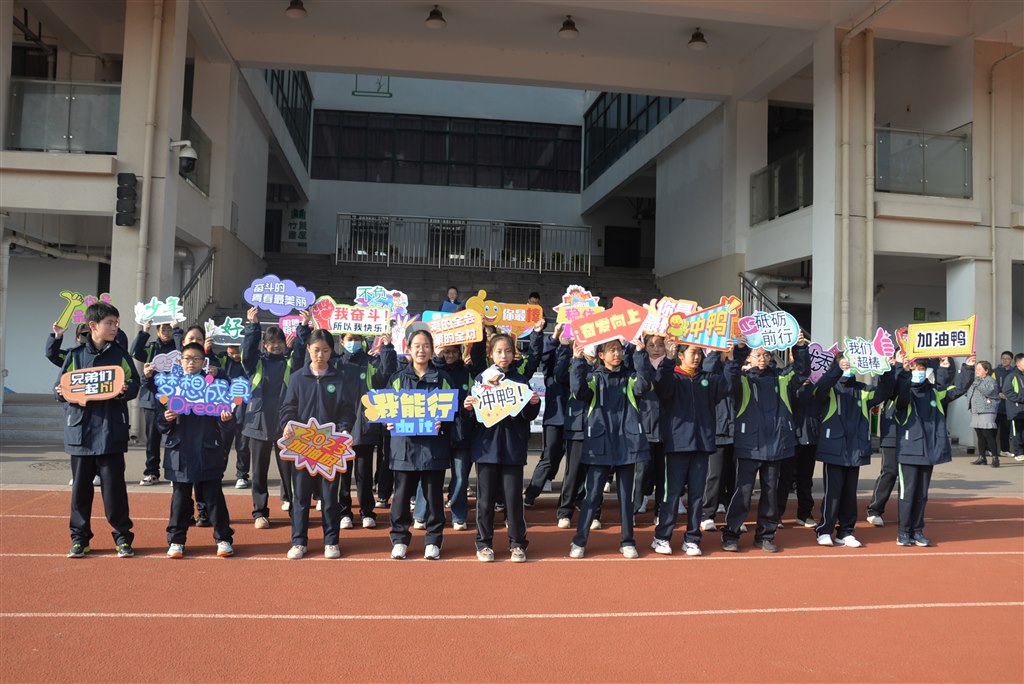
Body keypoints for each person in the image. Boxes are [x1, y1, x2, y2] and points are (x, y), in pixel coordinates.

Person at [56, 301, 141, 558]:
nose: (115, 328)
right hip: (80, 433)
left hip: (110, 432)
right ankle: (79, 539)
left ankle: (123, 537)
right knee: (80, 492)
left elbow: (134, 383)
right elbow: (60, 387)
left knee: (115, 491)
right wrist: (61, 392)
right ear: (93, 325)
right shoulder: (75, 355)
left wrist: (125, 390)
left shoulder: (120, 355)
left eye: (116, 323)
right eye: (110, 323)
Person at [722, 333, 809, 553]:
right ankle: (731, 533)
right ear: (749, 358)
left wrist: (800, 348)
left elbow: (801, 372)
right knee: (743, 492)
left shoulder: (781, 379)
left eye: (766, 355)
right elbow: (729, 382)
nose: (763, 359)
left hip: (776, 445)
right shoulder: (743, 379)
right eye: (758, 355)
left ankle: (765, 536)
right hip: (749, 445)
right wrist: (738, 352)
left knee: (770, 493)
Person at [567, 338, 653, 559]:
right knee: (592, 496)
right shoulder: (593, 379)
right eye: (611, 350)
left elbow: (644, 385)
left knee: (626, 498)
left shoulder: (630, 377)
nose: (617, 354)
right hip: (600, 444)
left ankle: (627, 541)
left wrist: (640, 353)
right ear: (601, 355)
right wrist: (577, 361)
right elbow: (578, 391)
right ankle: (579, 541)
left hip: (627, 444)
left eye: (619, 349)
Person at [648, 341, 733, 557]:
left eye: (698, 354)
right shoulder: (673, 377)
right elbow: (661, 385)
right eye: (692, 353)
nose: (696, 357)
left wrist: (731, 360)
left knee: (697, 496)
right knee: (671, 495)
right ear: (681, 356)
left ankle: (692, 538)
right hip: (677, 446)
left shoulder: (707, 379)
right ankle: (662, 537)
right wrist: (668, 359)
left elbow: (728, 386)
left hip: (701, 445)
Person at [278, 329, 356, 559]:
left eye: (325, 350)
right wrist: (287, 423)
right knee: (300, 497)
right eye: (316, 350)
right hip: (302, 446)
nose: (320, 355)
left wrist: (344, 428)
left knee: (330, 497)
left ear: (332, 352)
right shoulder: (297, 378)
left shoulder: (339, 379)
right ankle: (298, 541)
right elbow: (288, 406)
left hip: (329, 447)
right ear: (308, 350)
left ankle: (331, 541)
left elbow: (347, 409)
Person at [465, 333, 541, 563]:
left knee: (513, 498)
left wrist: (533, 404)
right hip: (486, 448)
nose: (503, 355)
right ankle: (484, 543)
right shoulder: (481, 379)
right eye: (498, 351)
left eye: (508, 351)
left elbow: (528, 415)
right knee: (485, 499)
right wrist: (468, 407)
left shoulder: (521, 381)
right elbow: (473, 417)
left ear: (514, 353)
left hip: (512, 447)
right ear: (490, 354)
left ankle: (517, 543)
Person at [157, 343, 236, 559]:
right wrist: (165, 418)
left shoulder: (214, 386)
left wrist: (226, 419)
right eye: (187, 358)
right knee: (180, 499)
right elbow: (159, 422)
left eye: (196, 359)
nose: (191, 363)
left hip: (207, 449)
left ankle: (223, 538)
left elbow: (227, 420)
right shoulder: (171, 386)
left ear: (204, 362)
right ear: (180, 361)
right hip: (180, 451)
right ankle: (176, 541)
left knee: (213, 497)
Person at [812, 353, 897, 547]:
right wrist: (837, 369)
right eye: (844, 362)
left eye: (850, 363)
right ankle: (824, 530)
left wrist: (886, 369)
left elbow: (884, 392)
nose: (848, 366)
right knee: (833, 493)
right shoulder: (830, 388)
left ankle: (846, 531)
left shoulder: (863, 390)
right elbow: (820, 389)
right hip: (834, 448)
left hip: (855, 448)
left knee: (850, 494)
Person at [388, 328, 456, 560]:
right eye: (416, 346)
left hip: (432, 448)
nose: (421, 350)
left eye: (426, 346)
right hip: (404, 447)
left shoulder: (443, 378)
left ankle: (433, 540)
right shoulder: (398, 378)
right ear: (408, 349)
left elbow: (453, 411)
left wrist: (443, 422)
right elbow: (386, 407)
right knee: (401, 497)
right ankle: (399, 539)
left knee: (434, 496)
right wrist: (388, 421)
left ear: (432, 349)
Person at [893, 354, 974, 546]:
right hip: (909, 450)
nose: (918, 372)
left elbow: (957, 388)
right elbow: (899, 392)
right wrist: (901, 369)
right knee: (907, 494)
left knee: (921, 495)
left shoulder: (934, 392)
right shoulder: (903, 392)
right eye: (915, 369)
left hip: (928, 450)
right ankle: (903, 532)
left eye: (921, 369)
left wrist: (967, 368)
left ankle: (917, 531)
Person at [241, 307, 297, 529]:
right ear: (264, 344)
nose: (276, 345)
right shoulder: (256, 363)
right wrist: (253, 326)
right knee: (259, 472)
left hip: (285, 424)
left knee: (289, 471)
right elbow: (247, 353)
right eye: (272, 342)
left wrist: (303, 330)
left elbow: (301, 356)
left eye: (280, 342)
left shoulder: (290, 362)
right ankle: (260, 513)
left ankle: (295, 508)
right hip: (259, 423)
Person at [130, 319, 182, 486]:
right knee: (152, 439)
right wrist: (145, 331)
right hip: (152, 398)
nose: (167, 332)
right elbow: (135, 352)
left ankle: (175, 472)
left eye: (169, 329)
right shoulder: (152, 348)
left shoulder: (178, 346)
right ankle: (152, 472)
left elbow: (184, 353)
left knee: (175, 437)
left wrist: (177, 330)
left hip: (174, 398)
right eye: (163, 330)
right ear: (158, 331)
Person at [524, 324, 569, 507]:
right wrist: (556, 337)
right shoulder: (554, 362)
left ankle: (571, 498)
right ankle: (531, 493)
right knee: (549, 455)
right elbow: (544, 357)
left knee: (573, 460)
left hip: (578, 419)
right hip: (555, 416)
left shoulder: (583, 360)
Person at [777, 375, 819, 529]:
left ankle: (805, 514)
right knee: (784, 478)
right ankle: (776, 514)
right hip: (790, 437)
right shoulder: (787, 384)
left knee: (805, 479)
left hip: (810, 437)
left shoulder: (818, 387)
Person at [634, 334, 668, 520]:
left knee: (663, 475)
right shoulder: (639, 366)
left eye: (660, 345)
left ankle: (660, 511)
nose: (656, 349)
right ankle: (633, 509)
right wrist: (639, 356)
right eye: (651, 345)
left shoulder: (670, 366)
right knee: (641, 473)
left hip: (666, 431)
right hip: (644, 430)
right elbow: (639, 389)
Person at [217, 343, 252, 487]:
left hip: (244, 410)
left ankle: (242, 475)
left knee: (242, 446)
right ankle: (218, 474)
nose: (235, 356)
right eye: (232, 353)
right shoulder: (222, 360)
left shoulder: (250, 361)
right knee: (222, 446)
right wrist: (207, 349)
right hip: (225, 410)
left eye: (238, 352)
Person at [966, 361, 1001, 467]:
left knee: (988, 434)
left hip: (987, 410)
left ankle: (995, 458)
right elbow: (969, 392)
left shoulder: (991, 380)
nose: (977, 371)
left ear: (986, 371)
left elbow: (988, 392)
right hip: (976, 410)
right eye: (976, 369)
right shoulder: (976, 380)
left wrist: (977, 384)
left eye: (979, 369)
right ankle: (982, 457)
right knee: (979, 434)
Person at [1002, 353, 1024, 462]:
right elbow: (1007, 391)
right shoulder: (1012, 376)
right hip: (1015, 410)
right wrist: (1021, 398)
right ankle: (1018, 453)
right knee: (1017, 433)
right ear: (1018, 363)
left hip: (1022, 410)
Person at [994, 350, 1013, 456]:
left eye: (1007, 359)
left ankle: (1005, 450)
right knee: (993, 429)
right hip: (996, 405)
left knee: (1006, 429)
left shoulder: (1014, 372)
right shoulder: (995, 371)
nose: (1005, 360)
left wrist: (1009, 395)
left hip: (1008, 406)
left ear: (1011, 360)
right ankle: (990, 449)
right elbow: (990, 386)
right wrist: (998, 393)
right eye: (1003, 358)